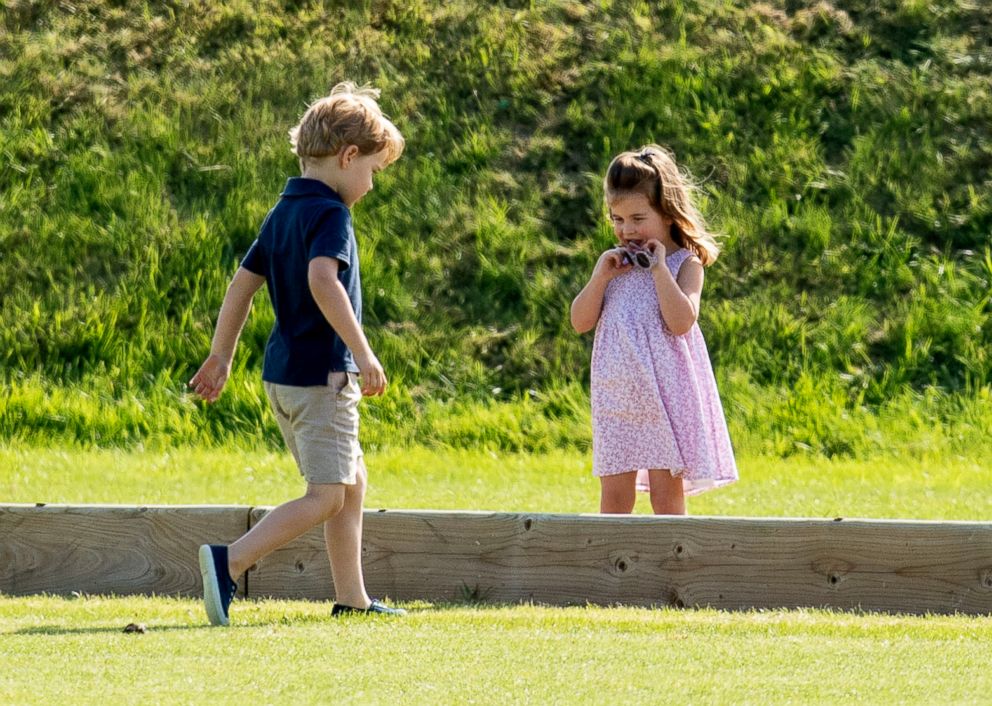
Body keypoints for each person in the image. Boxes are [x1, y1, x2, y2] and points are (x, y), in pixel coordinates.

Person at [189, 82, 406, 625]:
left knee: (351, 479)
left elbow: (242, 284)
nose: (372, 185)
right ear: (347, 156)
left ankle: (352, 599)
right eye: (373, 170)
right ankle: (229, 562)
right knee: (328, 493)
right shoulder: (331, 215)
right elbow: (322, 281)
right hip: (322, 377)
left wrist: (221, 356)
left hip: (283, 377)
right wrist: (365, 351)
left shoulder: (284, 209)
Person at [570, 144, 738, 515]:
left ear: (667, 212)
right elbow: (580, 321)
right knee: (614, 497)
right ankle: (614, 568)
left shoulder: (685, 263)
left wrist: (660, 270)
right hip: (617, 400)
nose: (626, 230)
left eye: (637, 218)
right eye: (617, 219)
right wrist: (600, 277)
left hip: (665, 400)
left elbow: (681, 321)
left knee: (666, 495)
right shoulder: (616, 266)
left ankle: (672, 570)